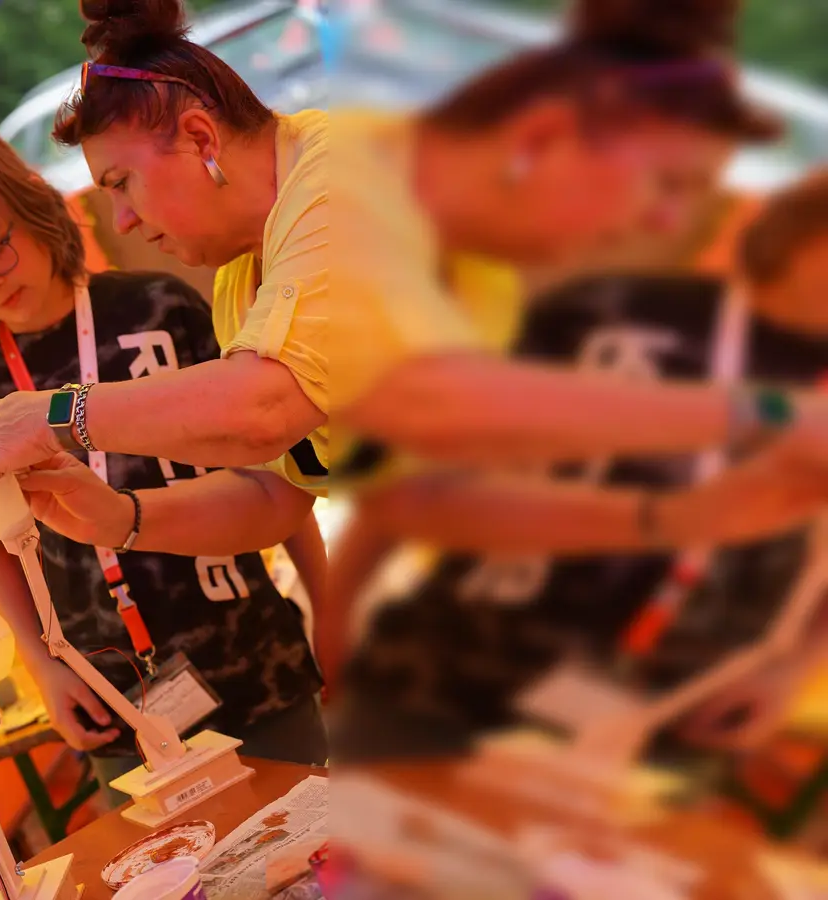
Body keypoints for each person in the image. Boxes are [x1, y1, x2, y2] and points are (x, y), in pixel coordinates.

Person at [0, 0, 828, 567]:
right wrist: (122, 519)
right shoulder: (247, 275)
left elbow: (265, 408)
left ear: (200, 140)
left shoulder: (344, 181)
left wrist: (53, 411)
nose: (120, 223)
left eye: (119, 185)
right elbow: (277, 487)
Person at [0, 124, 328, 792]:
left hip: (253, 655)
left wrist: (332, 601)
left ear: (33, 207)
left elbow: (275, 477)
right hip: (112, 699)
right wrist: (43, 668)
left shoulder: (159, 306)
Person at [327, 168, 828, 765]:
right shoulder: (613, 312)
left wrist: (792, 667)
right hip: (454, 671)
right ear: (806, 234)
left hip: (668, 719)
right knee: (334, 847)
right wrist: (335, 604)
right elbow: (426, 468)